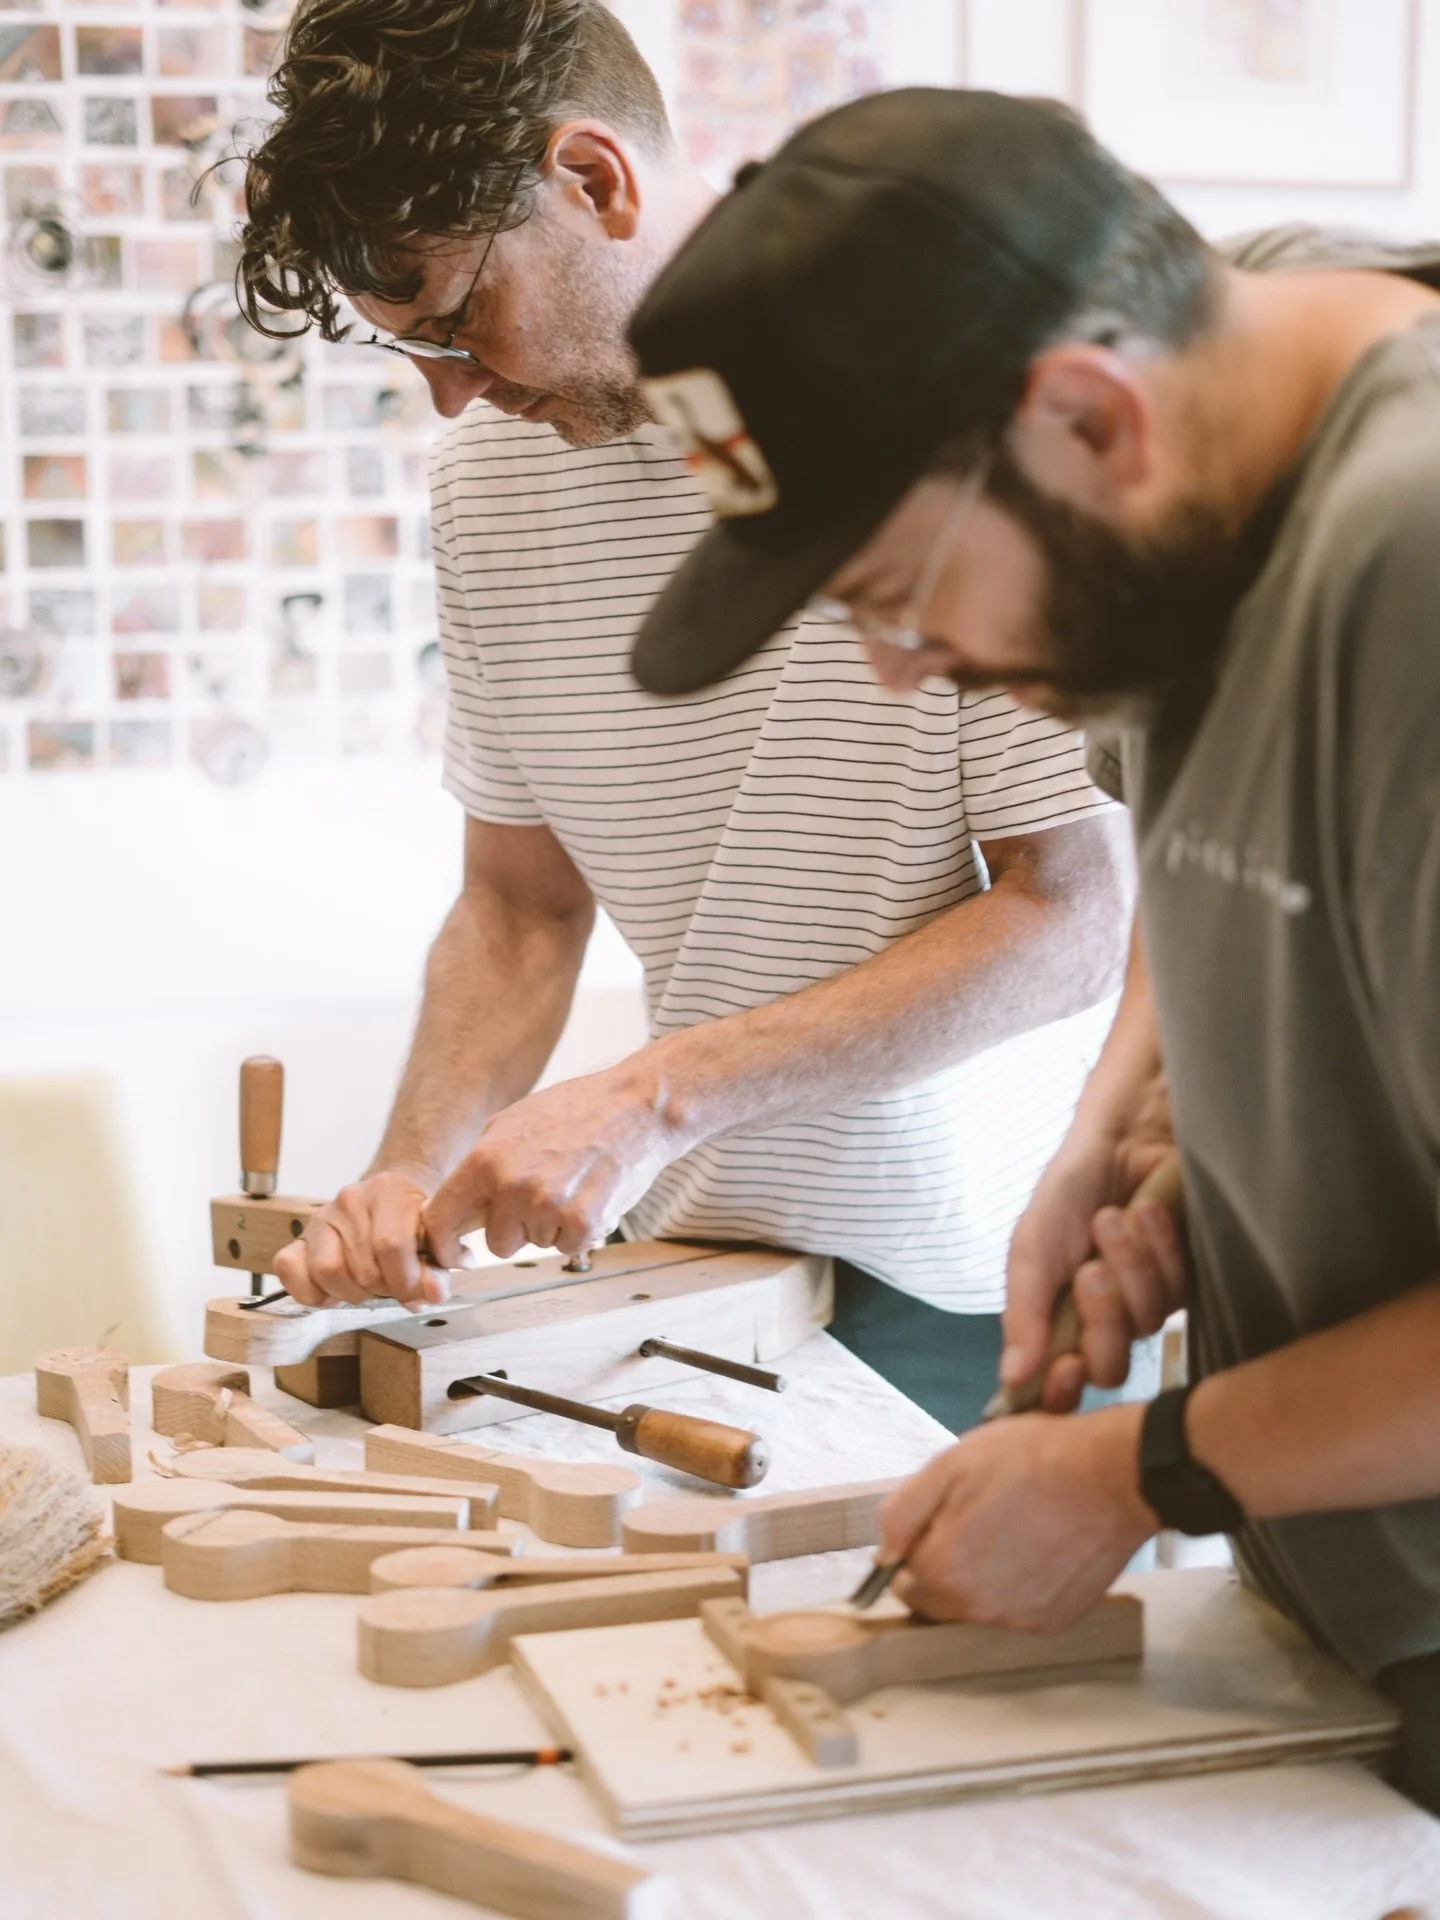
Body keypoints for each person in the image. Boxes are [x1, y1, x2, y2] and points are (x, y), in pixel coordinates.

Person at [623, 87, 1440, 1809]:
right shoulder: (1214, 383)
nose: (898, 670)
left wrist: (1145, 1469)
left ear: (1085, 418)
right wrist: (1125, 1127)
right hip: (1340, 1594)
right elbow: (1215, 842)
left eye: (894, 595)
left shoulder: (1410, 554)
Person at [234, 3, 1132, 1430]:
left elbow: (1069, 919)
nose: (452, 396)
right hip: (701, 1258)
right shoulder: (487, 487)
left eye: (459, 322)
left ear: (594, 181)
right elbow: (520, 908)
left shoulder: (931, 399)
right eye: (407, 349)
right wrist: (409, 1170)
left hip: (994, 1277)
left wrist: (653, 1098)